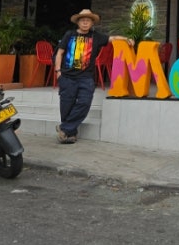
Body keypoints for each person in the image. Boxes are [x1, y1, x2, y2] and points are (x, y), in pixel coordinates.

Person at [53, 9, 133, 144]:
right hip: (67, 76)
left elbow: (112, 38)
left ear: (92, 23)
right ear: (78, 22)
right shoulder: (69, 34)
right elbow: (60, 53)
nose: (85, 22)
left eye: (88, 20)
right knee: (66, 105)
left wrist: (126, 39)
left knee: (85, 103)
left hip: (86, 78)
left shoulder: (96, 36)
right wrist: (58, 71)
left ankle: (64, 128)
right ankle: (70, 134)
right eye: (82, 20)